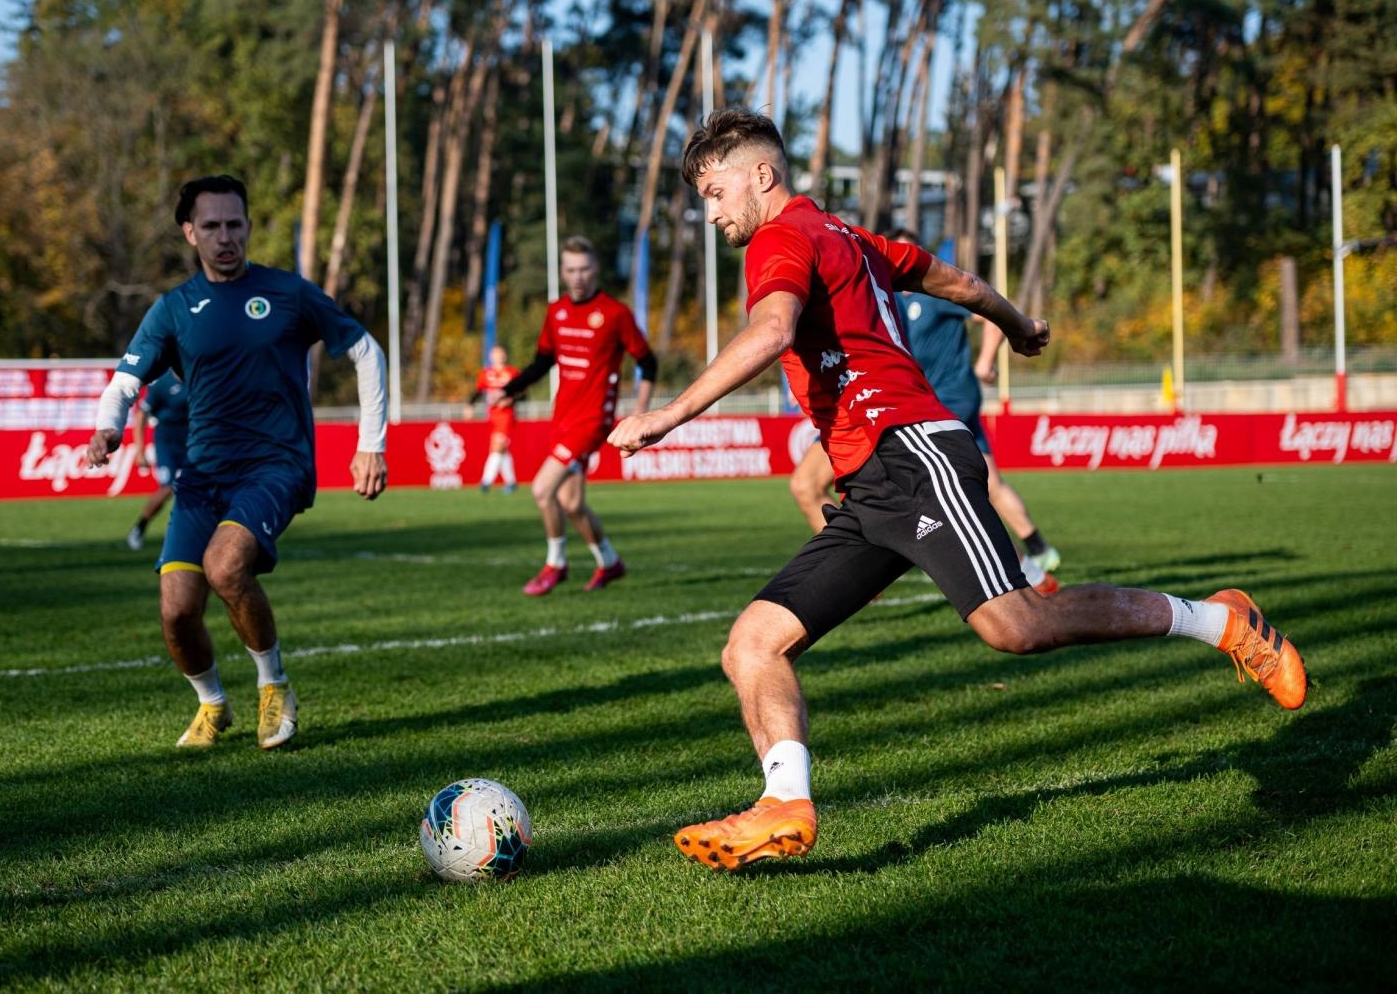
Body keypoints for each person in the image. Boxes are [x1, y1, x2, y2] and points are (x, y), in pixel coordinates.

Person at [608, 108, 1307, 871]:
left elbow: (773, 331)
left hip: (915, 453)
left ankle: (1222, 620)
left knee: (1018, 625)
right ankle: (783, 802)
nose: (711, 213)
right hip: (871, 485)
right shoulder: (853, 237)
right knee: (752, 644)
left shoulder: (783, 238)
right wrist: (1017, 324)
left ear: (762, 176)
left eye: (716, 192)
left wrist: (669, 414)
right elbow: (960, 282)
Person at [86, 175, 388, 750]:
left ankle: (274, 687)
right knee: (177, 612)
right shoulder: (174, 309)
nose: (225, 237)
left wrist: (370, 443)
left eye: (234, 224)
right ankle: (212, 703)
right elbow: (125, 381)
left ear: (248, 226)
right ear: (189, 232)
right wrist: (108, 427)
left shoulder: (288, 293)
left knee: (225, 567)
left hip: (277, 466)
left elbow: (366, 352)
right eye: (211, 226)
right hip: (203, 476)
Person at [787, 230, 1063, 584]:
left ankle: (1025, 570)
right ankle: (1032, 562)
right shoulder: (880, 294)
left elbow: (980, 304)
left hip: (935, 399)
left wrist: (986, 360)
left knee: (937, 492)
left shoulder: (929, 294)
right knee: (976, 486)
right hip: (893, 401)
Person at [495, 236, 657, 596]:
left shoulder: (615, 314)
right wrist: (510, 390)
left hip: (592, 420)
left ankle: (555, 564)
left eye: (584, 269)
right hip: (563, 417)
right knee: (571, 504)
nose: (578, 277)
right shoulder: (556, 312)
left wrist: (639, 411)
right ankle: (609, 562)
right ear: (563, 272)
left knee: (542, 490)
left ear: (595, 269)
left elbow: (648, 362)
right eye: (571, 270)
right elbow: (543, 361)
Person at [125, 369, 189, 550]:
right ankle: (140, 527)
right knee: (167, 488)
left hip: (193, 442)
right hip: (168, 444)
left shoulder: (197, 378)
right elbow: (141, 415)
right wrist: (140, 450)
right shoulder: (162, 384)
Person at [468, 344, 519, 493]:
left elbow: (523, 393)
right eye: (495, 353)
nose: (498, 356)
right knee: (502, 449)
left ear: (505, 355)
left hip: (506, 416)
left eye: (500, 353)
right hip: (492, 416)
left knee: (497, 447)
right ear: (491, 356)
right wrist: (470, 405)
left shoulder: (512, 373)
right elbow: (479, 391)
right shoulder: (486, 373)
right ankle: (511, 482)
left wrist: (510, 400)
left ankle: (486, 482)